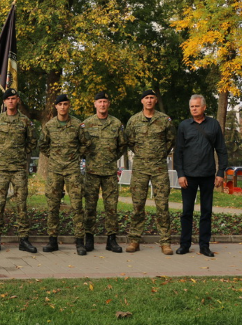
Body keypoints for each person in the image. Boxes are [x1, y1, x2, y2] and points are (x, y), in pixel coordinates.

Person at [174, 94, 227, 257]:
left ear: (204, 107)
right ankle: (185, 244)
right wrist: (181, 174)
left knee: (206, 211)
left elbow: (221, 150)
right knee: (186, 211)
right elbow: (178, 152)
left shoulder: (213, 124)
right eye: (192, 106)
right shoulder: (184, 125)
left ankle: (204, 246)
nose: (194, 109)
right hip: (188, 176)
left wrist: (220, 173)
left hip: (207, 175)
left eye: (197, 106)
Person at [0, 88, 37, 254]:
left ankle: (24, 240)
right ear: (4, 102)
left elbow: (32, 141)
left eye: (14, 98)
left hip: (19, 169)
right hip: (2, 169)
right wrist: (2, 153)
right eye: (8, 99)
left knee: (21, 205)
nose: (11, 101)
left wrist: (21, 154)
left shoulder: (25, 121)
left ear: (18, 100)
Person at [125, 89, 176, 255]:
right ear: (142, 101)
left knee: (162, 205)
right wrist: (143, 154)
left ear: (155, 100)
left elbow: (170, 140)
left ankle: (165, 242)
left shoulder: (164, 120)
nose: (148, 100)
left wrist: (160, 153)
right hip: (140, 167)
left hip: (159, 168)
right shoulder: (133, 121)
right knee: (137, 205)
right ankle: (134, 240)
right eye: (146, 98)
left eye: (151, 98)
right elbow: (130, 141)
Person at [39, 94, 90, 255]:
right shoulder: (50, 125)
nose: (62, 107)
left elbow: (86, 143)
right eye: (60, 104)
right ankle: (52, 240)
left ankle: (79, 242)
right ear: (56, 107)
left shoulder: (77, 124)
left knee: (76, 205)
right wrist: (54, 156)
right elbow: (43, 144)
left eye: (65, 104)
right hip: (54, 170)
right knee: (53, 205)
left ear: (69, 106)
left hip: (72, 170)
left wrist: (75, 155)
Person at [82, 91, 127, 253]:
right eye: (99, 101)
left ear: (109, 104)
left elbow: (122, 145)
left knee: (111, 207)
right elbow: (81, 145)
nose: (102, 104)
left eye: (105, 102)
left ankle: (111, 240)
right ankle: (89, 239)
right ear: (95, 104)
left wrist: (112, 158)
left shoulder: (116, 124)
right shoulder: (86, 124)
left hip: (109, 173)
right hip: (92, 172)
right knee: (90, 206)